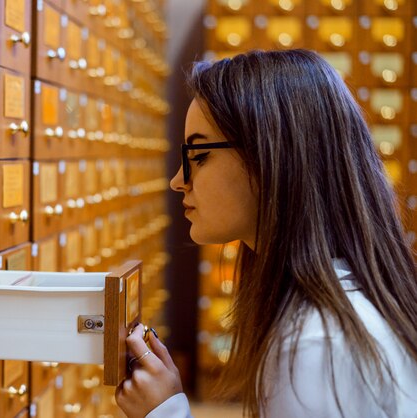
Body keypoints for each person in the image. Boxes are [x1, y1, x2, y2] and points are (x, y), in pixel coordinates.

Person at [115, 49, 417, 418]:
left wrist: (166, 413)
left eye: (198, 154)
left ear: (271, 157)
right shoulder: (342, 307)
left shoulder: (315, 346)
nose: (178, 181)